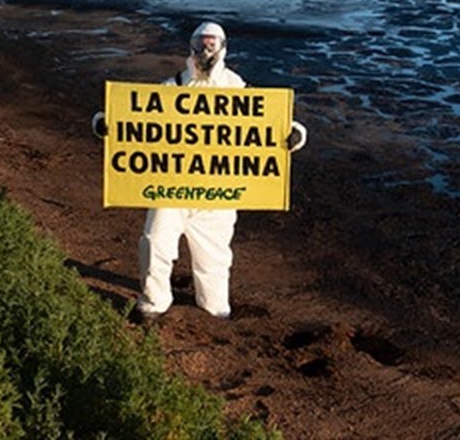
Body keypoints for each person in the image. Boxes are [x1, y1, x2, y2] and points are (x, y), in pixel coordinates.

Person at [95, 21, 307, 321]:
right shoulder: (172, 87)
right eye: (201, 43)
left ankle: (215, 310)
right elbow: (134, 118)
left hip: (218, 194)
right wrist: (105, 124)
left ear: (222, 47)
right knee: (155, 243)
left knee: (214, 260)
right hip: (170, 189)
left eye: (211, 44)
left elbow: (274, 124)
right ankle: (152, 303)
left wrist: (295, 135)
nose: (206, 50)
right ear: (191, 46)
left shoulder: (239, 88)